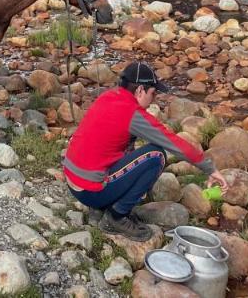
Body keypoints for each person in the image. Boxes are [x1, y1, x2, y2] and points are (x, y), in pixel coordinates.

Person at [62, 61, 228, 240]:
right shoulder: (131, 113)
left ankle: (104, 205)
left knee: (128, 146)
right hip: (90, 191)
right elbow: (173, 143)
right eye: (153, 93)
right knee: (156, 155)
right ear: (140, 90)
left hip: (73, 182)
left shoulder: (108, 96)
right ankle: (116, 216)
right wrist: (210, 169)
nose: (153, 100)